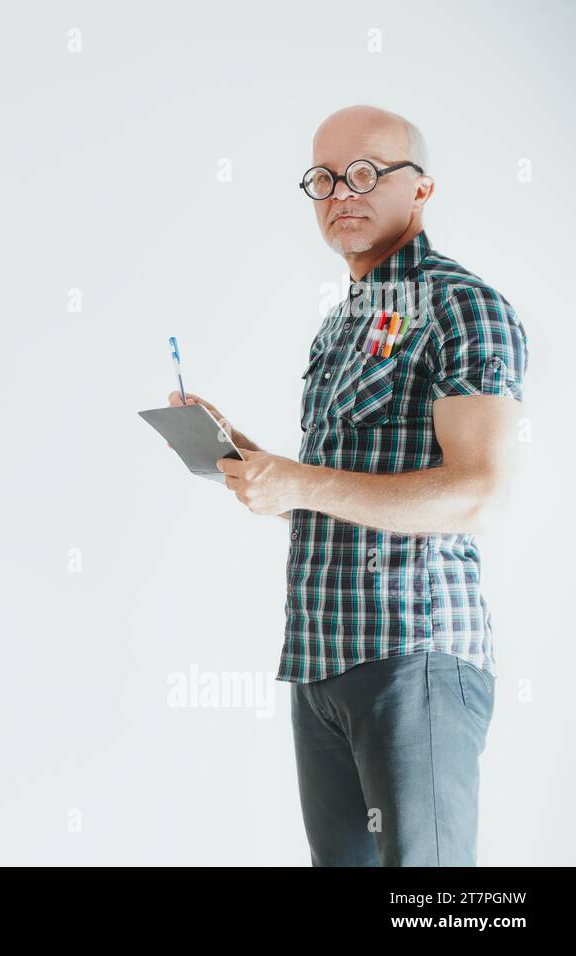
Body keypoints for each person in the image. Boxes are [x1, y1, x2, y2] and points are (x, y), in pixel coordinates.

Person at [168, 106, 527, 865]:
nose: (341, 192)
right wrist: (250, 456)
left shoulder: (463, 307)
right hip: (320, 660)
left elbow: (478, 493)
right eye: (324, 178)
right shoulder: (340, 329)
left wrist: (298, 479)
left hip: (411, 655)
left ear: (422, 189)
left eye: (365, 172)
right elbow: (335, 490)